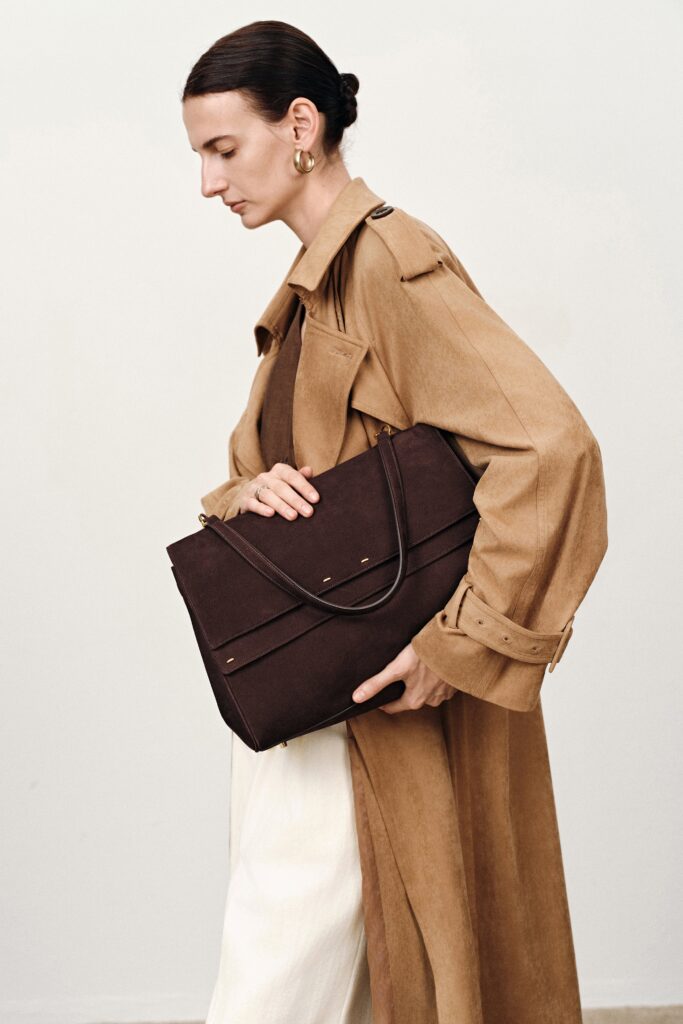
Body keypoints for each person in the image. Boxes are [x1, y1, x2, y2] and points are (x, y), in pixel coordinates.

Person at [181, 19, 609, 1024]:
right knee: (351, 971)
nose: (207, 184)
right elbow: (272, 471)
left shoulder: (388, 264)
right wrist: (248, 492)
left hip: (362, 698)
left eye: (221, 149)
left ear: (301, 125)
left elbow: (548, 448)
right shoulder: (311, 288)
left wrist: (460, 643)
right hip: (305, 690)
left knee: (275, 977)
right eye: (198, 154)